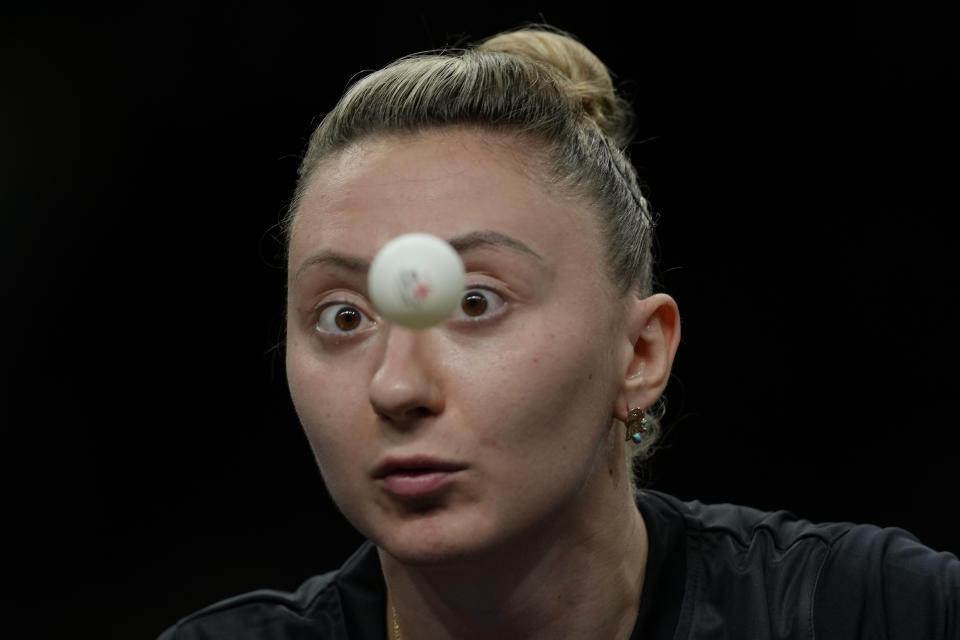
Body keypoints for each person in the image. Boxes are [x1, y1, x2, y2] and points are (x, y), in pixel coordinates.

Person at [158, 26, 959, 640]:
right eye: (344, 317)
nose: (396, 386)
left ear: (640, 354)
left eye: (474, 303)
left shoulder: (878, 611)